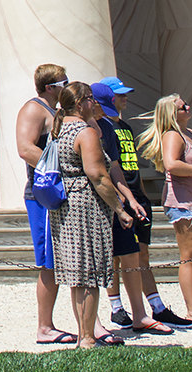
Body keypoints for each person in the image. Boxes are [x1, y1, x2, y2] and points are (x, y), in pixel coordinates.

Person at [90, 78, 182, 332]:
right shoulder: (101, 127)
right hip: (114, 197)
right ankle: (116, 307)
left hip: (134, 193)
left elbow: (125, 166)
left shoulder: (123, 127)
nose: (124, 98)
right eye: (118, 95)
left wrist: (136, 195)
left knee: (139, 252)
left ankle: (155, 306)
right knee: (114, 257)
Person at [48, 81, 131, 347]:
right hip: (85, 205)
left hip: (63, 206)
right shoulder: (84, 132)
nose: (94, 103)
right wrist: (119, 208)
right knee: (91, 272)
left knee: (76, 273)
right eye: (91, 99)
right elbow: (98, 175)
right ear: (82, 102)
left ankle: (85, 334)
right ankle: (87, 338)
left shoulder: (58, 129)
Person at [140, 92, 192, 327]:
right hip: (184, 203)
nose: (188, 107)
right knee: (188, 258)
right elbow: (171, 164)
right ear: (172, 113)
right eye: (182, 106)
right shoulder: (173, 135)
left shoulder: (191, 134)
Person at [14, 63, 72, 344]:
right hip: (43, 195)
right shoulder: (34, 109)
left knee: (62, 260)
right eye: (64, 82)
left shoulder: (56, 111)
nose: (68, 86)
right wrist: (61, 170)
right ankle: (44, 327)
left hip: (61, 194)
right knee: (49, 262)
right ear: (50, 87)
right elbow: (25, 148)